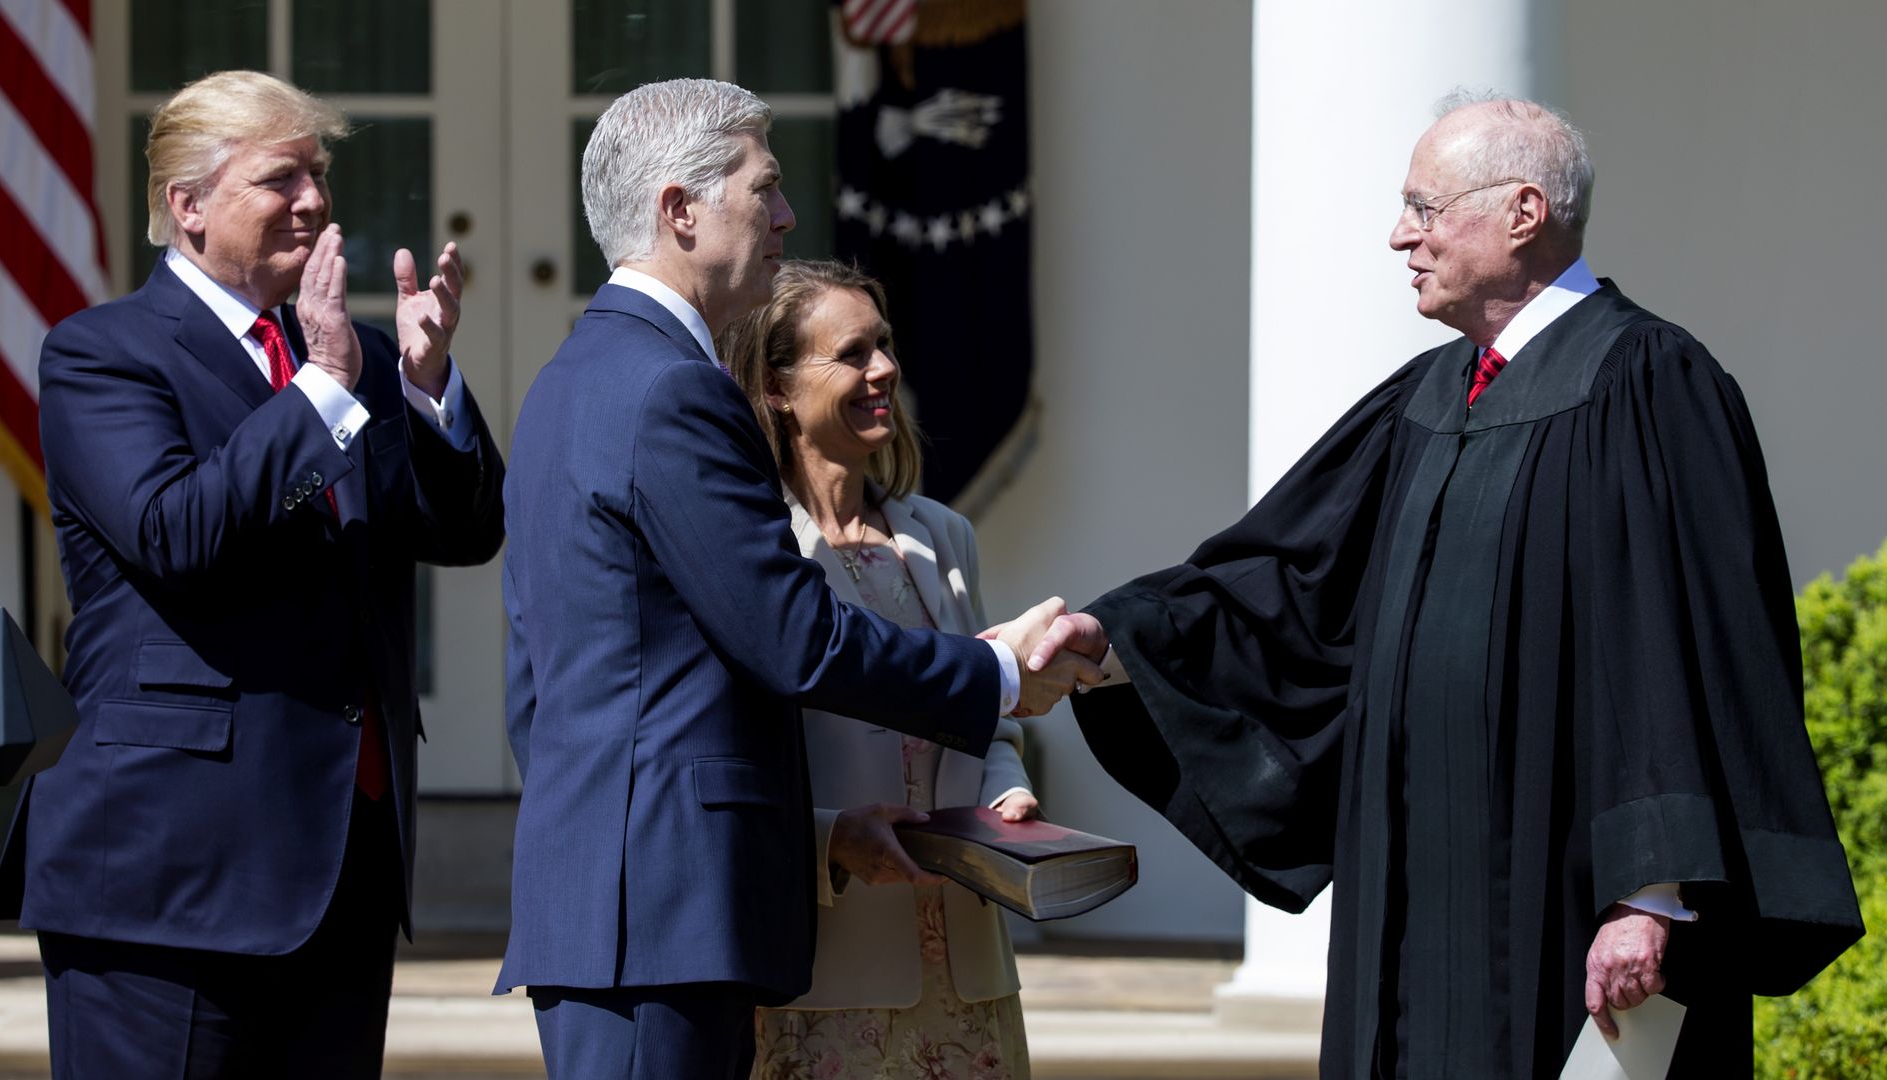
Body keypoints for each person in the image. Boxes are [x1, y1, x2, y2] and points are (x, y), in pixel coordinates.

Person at [1034, 94, 1864, 1077]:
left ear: (1523, 211)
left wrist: (1651, 895)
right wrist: (1124, 638)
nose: (1400, 236)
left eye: (1425, 208)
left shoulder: (1649, 384)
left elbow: (1687, 648)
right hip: (1408, 893)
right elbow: (1295, 584)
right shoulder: (1427, 396)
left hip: (1565, 900)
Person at [498, 79, 1098, 1079]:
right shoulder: (671, 390)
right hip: (664, 915)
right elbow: (794, 637)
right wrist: (993, 674)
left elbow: (535, 689)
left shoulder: (570, 379)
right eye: (763, 189)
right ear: (679, 209)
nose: (784, 215)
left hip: (619, 904)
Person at [0, 70, 505, 1078]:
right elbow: (177, 533)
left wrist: (430, 386)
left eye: (318, 172)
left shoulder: (352, 356)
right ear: (187, 207)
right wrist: (321, 389)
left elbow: (465, 530)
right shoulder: (104, 353)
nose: (315, 198)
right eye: (282, 177)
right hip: (165, 877)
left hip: (339, 872)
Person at [723, 260, 1036, 1080]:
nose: (885, 370)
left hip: (969, 976)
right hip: (830, 976)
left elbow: (989, 717)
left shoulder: (945, 535)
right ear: (779, 388)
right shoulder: (756, 553)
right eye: (854, 353)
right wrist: (829, 840)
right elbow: (739, 755)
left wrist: (1008, 790)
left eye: (886, 345)